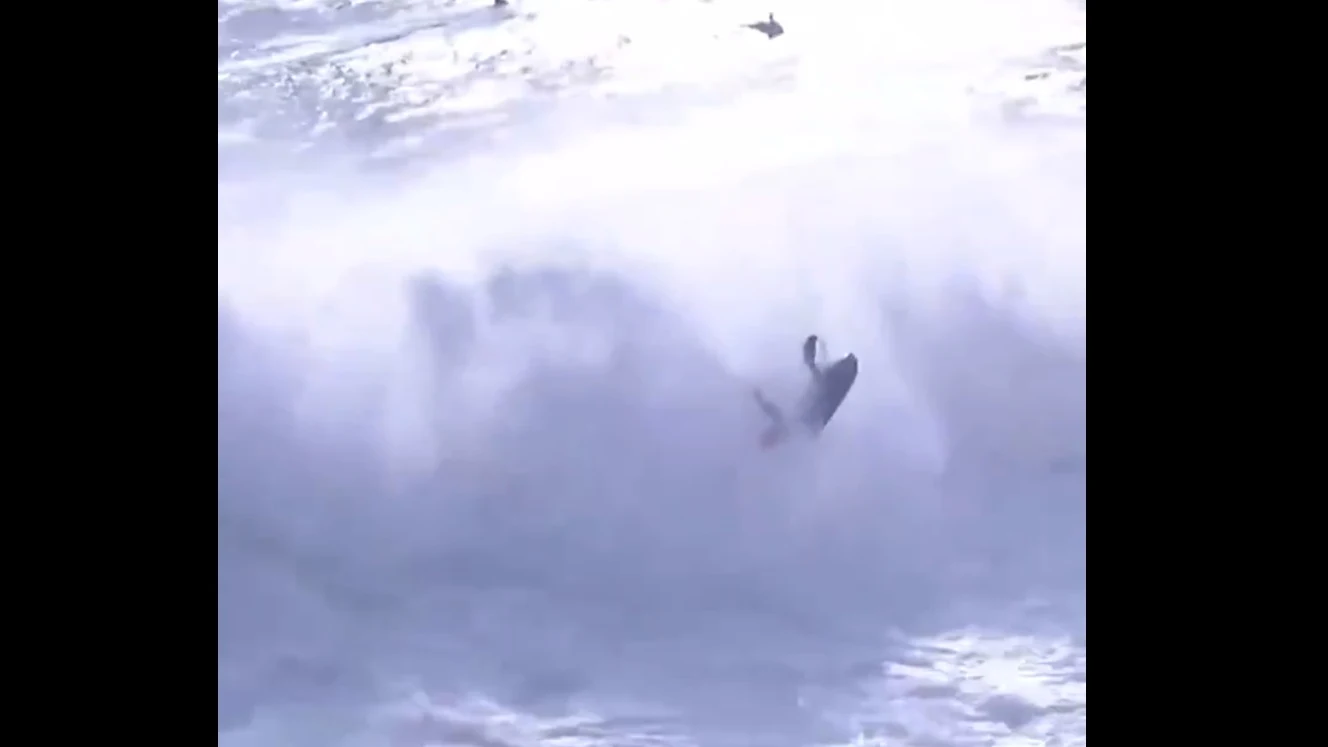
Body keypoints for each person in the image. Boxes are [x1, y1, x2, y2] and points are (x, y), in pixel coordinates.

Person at [754, 334, 833, 449]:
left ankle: (810, 360)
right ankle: (811, 362)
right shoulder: (788, 441)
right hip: (808, 419)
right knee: (816, 385)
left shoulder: (783, 424)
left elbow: (773, 412)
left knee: (817, 384)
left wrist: (760, 400)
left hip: (808, 410)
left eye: (771, 436)